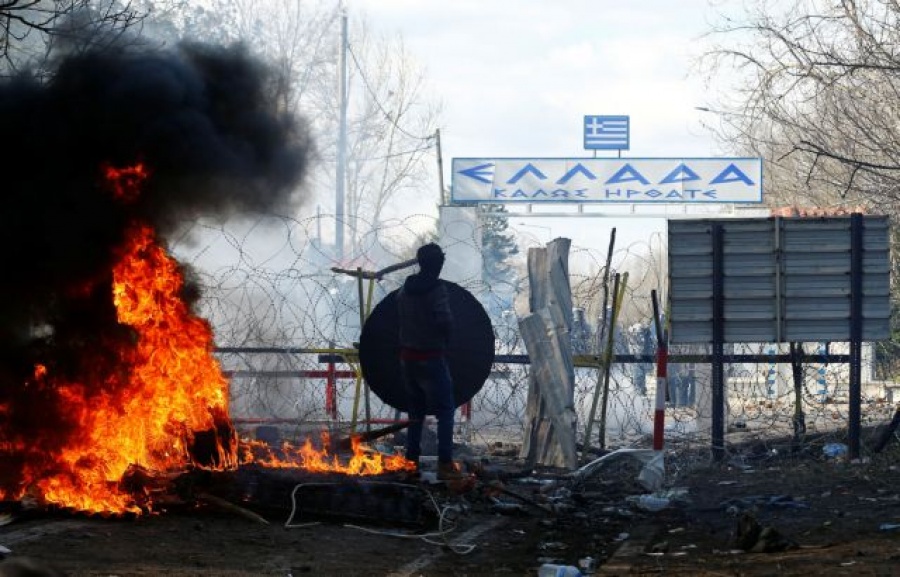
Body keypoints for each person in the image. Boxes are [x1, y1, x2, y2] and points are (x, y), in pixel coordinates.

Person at [396, 242, 462, 481]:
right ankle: (444, 464)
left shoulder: (406, 287)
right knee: (445, 410)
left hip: (408, 358)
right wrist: (448, 340)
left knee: (416, 411)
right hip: (431, 357)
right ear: (438, 265)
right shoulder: (436, 289)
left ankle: (411, 461)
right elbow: (444, 319)